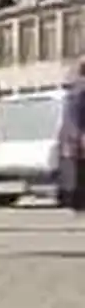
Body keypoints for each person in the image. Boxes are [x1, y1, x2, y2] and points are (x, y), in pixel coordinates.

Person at [58, 57, 85, 213]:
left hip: (72, 138)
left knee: (77, 171)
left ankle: (76, 202)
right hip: (78, 137)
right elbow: (76, 115)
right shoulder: (80, 89)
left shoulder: (74, 89)